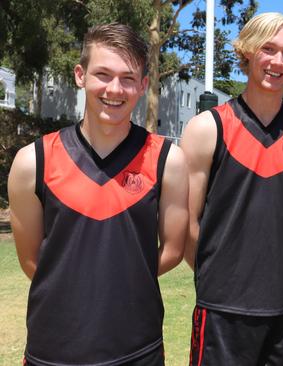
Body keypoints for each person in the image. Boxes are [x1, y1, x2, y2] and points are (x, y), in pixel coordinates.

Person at [8, 23, 188, 366]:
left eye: (128, 78)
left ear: (144, 85)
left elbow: (173, 251)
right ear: (80, 75)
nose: (114, 89)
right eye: (102, 74)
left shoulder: (168, 161)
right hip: (53, 349)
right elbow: (33, 261)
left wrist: (119, 287)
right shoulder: (33, 162)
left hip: (137, 347)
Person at [180, 12, 283, 365]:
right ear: (247, 51)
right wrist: (220, 274)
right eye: (268, 49)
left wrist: (273, 268)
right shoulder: (207, 128)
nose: (278, 61)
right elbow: (187, 222)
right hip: (222, 310)